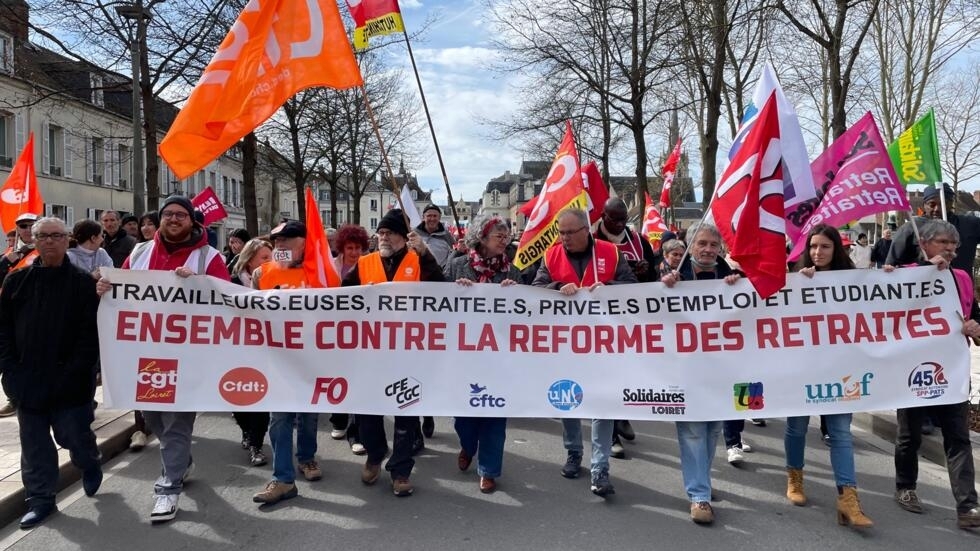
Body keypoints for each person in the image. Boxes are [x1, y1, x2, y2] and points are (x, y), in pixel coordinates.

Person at [96, 195, 230, 523]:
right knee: (153, 416)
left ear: (192, 220)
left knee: (176, 422)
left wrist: (199, 285)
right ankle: (181, 464)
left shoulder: (208, 257)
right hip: (146, 355)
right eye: (167, 214)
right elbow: (121, 289)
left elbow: (227, 302)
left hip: (188, 358)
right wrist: (105, 286)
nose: (173, 219)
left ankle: (168, 487)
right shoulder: (140, 252)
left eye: (180, 214)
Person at [0, 217, 102, 529]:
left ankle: (88, 462)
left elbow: (90, 337)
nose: (48, 241)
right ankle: (41, 499)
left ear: (67, 239)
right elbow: (4, 332)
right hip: (27, 381)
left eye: (56, 236)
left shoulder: (83, 284)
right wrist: (10, 372)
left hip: (71, 383)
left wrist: (75, 372)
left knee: (72, 434)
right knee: (34, 445)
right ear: (34, 240)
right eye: (42, 236)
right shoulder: (17, 282)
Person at [533, 208, 637, 498]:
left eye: (569, 233)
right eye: (561, 233)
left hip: (604, 344)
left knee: (602, 403)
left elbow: (633, 288)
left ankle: (600, 466)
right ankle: (573, 451)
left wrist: (610, 287)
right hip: (566, 344)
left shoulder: (612, 254)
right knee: (567, 398)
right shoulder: (551, 256)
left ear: (586, 231)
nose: (564, 238)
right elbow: (536, 289)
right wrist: (556, 287)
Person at [343, 208, 446, 497]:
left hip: (408, 351)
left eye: (389, 233)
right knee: (368, 411)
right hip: (371, 352)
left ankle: (400, 470)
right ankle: (375, 454)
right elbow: (340, 299)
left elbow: (441, 292)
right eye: (381, 233)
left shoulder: (419, 260)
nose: (383, 237)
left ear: (404, 237)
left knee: (406, 412)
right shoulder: (364, 263)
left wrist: (426, 254)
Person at [891, 219, 980, 530]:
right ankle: (906, 487)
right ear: (925, 243)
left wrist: (974, 327)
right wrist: (925, 271)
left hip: (951, 371)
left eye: (953, 245)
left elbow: (975, 318)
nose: (951, 250)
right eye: (943, 242)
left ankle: (968, 506)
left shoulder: (963, 279)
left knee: (958, 438)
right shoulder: (903, 277)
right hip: (913, 370)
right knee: (909, 435)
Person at [785, 224, 872, 528]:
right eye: (812, 247)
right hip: (800, 368)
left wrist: (893, 276)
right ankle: (795, 478)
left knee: (841, 432)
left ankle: (848, 498)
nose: (817, 253)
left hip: (838, 369)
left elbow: (883, 303)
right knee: (796, 427)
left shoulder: (854, 281)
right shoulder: (794, 280)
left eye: (824, 247)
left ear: (837, 249)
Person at [660, 223, 741, 525]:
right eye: (701, 243)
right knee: (693, 431)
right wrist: (663, 285)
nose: (708, 249)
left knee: (712, 431)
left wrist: (739, 285)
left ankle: (702, 483)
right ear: (690, 245)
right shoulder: (673, 278)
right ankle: (699, 496)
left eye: (713, 244)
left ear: (720, 248)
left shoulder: (732, 278)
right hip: (685, 369)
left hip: (721, 370)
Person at [250, 220, 332, 506]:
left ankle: (307, 458)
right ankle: (283, 479)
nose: (280, 245)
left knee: (309, 414)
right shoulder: (261, 274)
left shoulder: (321, 273)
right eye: (277, 240)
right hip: (278, 358)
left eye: (287, 239)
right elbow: (251, 314)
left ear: (304, 243)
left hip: (312, 357)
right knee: (280, 417)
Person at [445, 214, 520, 494]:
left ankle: (488, 470)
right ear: (482, 238)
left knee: (494, 414)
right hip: (462, 356)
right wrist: (454, 292)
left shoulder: (512, 272)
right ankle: (467, 444)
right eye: (499, 236)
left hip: (497, 358)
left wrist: (516, 295)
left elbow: (523, 316)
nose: (505, 241)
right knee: (463, 416)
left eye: (506, 236)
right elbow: (433, 303)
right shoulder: (457, 267)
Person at [229, 238, 273, 467]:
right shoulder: (231, 282)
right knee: (237, 396)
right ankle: (246, 430)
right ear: (249, 260)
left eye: (271, 257)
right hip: (236, 346)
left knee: (261, 395)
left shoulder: (275, 280)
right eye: (264, 258)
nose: (270, 262)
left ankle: (256, 443)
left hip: (266, 347)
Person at [329, 224, 371, 453]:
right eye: (350, 247)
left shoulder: (369, 266)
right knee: (338, 376)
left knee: (358, 380)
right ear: (342, 248)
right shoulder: (329, 268)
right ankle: (338, 419)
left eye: (358, 247)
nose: (354, 252)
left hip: (363, 333)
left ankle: (356, 433)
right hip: (335, 332)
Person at [886, 183, 980, 272]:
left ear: (951, 203)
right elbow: (892, 264)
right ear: (924, 205)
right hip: (921, 287)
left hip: (960, 286)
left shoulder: (970, 224)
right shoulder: (910, 228)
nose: (937, 209)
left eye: (944, 203)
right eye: (932, 204)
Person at [0, 212, 40, 417]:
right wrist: (7, 262)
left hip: (36, 316)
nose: (26, 229)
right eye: (22, 226)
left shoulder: (46, 251)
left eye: (30, 225)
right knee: (7, 359)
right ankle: (13, 399)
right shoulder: (9, 253)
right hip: (10, 316)